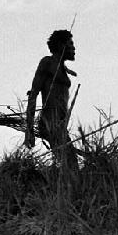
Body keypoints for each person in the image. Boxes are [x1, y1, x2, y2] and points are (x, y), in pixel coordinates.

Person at [24, 30, 79, 172]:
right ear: (61, 45)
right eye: (70, 44)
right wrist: (29, 129)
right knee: (71, 164)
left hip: (59, 124)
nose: (74, 48)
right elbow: (33, 94)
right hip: (50, 123)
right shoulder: (47, 62)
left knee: (69, 163)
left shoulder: (60, 66)